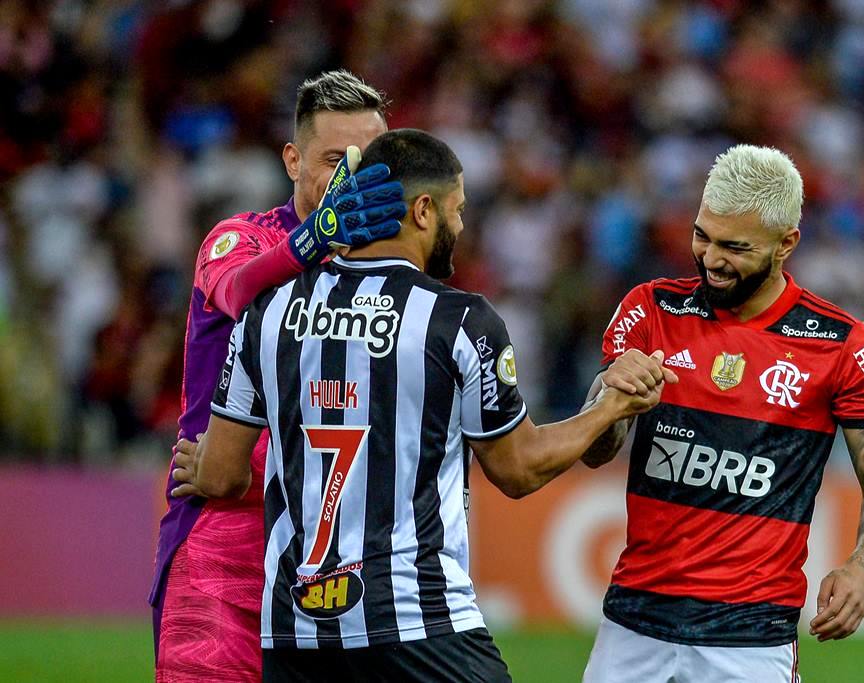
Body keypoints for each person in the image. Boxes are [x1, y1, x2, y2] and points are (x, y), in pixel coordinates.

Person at [169, 128, 673, 682]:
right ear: (424, 210)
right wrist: (610, 406)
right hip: (418, 621)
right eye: (457, 211)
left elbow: (217, 475)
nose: (460, 227)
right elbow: (518, 468)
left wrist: (212, 460)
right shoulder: (459, 320)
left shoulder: (267, 312)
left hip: (295, 635)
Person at [580, 144, 864, 682]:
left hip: (751, 640)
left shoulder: (840, 345)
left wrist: (860, 569)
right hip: (633, 624)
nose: (710, 258)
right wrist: (607, 394)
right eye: (701, 235)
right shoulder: (650, 309)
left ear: (787, 244)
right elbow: (599, 452)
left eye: (734, 247)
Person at [151, 69, 407, 682]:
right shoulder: (238, 239)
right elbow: (242, 290)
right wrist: (318, 238)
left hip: (334, 561)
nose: (349, 178)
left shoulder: (393, 280)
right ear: (291, 160)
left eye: (366, 161)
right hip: (224, 542)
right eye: (331, 160)